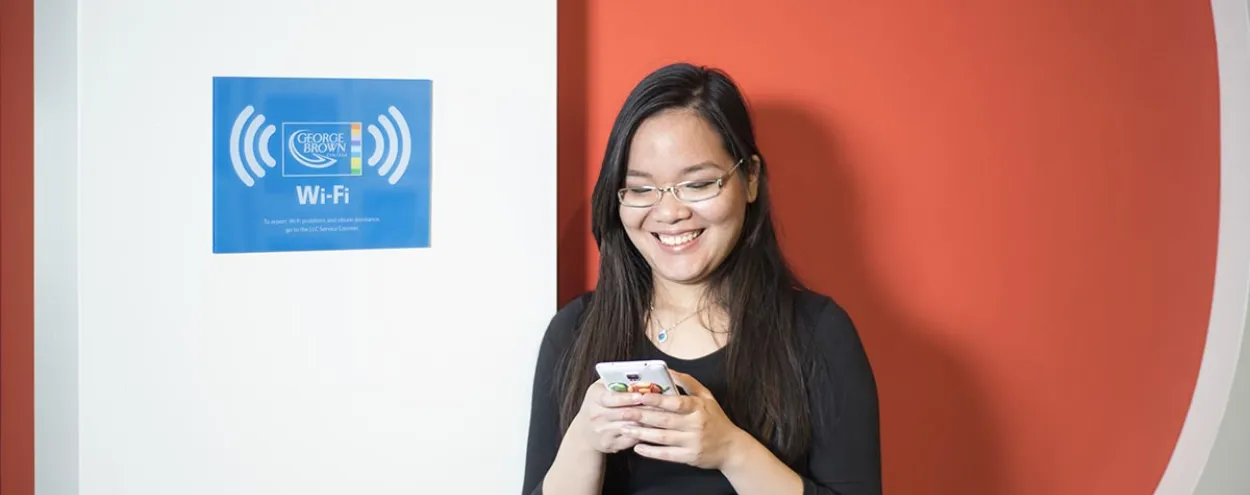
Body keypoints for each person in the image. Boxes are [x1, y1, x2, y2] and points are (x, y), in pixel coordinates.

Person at [521, 62, 882, 495]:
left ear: (749, 179)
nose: (670, 212)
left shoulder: (820, 334)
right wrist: (584, 441)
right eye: (640, 189)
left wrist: (732, 450)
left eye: (698, 184)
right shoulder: (574, 333)